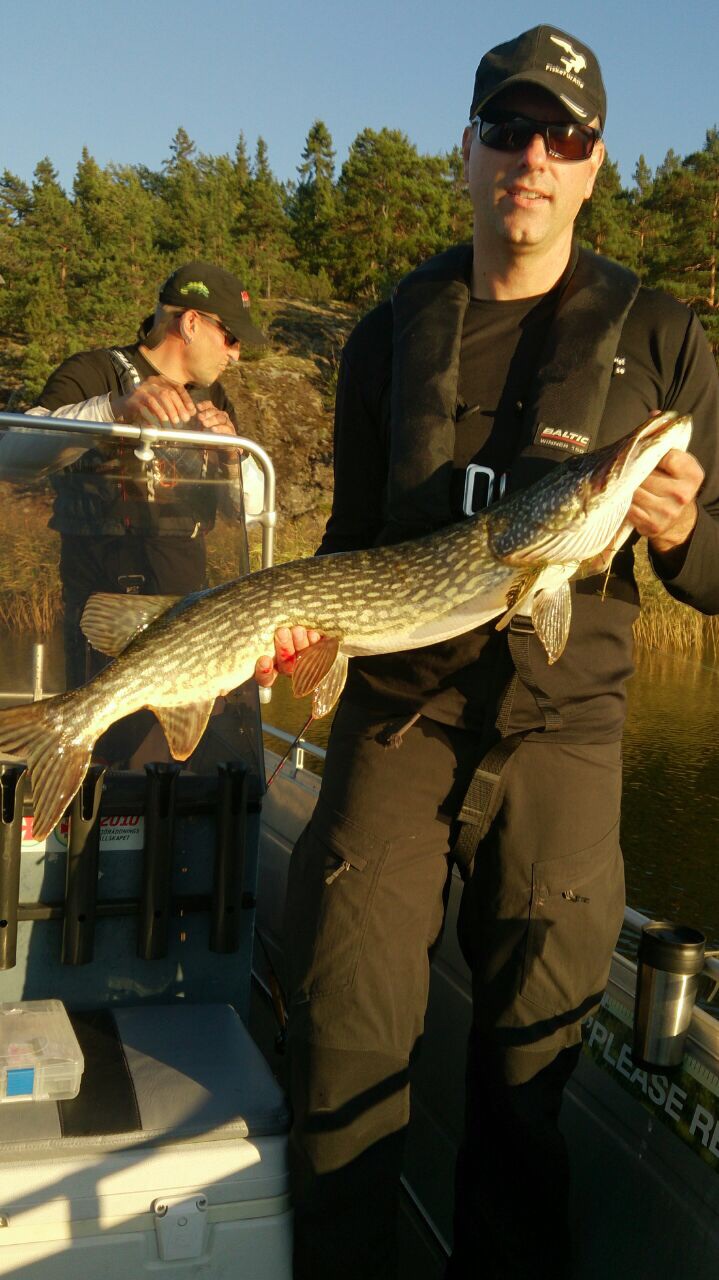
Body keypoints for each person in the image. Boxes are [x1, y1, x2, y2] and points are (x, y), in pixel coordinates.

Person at [255, 24, 719, 1280]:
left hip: (564, 736)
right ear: (465, 152)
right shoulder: (383, 336)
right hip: (397, 719)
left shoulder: (665, 340)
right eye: (505, 130)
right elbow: (351, 549)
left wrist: (675, 535)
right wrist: (303, 647)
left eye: (559, 136)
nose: (530, 156)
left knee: (526, 1081)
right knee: (346, 1038)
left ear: (591, 164)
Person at [26, 260, 267, 689]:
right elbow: (11, 454)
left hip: (192, 616)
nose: (235, 354)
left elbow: (251, 516)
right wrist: (114, 411)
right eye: (230, 338)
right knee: (109, 748)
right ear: (191, 323)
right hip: (101, 621)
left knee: (189, 753)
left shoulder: (216, 399)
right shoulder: (92, 373)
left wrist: (234, 457)